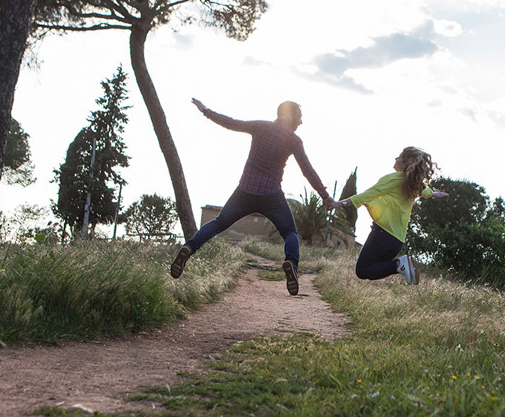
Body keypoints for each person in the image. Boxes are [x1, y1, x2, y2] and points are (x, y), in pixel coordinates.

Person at [170, 98, 333, 295]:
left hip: (245, 190)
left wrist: (205, 110)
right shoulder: (294, 140)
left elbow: (230, 122)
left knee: (219, 223)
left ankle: (189, 248)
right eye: (299, 117)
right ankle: (291, 263)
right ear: (288, 116)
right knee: (289, 232)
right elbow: (307, 170)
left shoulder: (260, 127)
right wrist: (325, 196)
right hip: (271, 194)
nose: (301, 122)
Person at [330, 146, 447, 285]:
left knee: (362, 270)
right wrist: (434, 194)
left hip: (382, 235)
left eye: (399, 157)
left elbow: (367, 195)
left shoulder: (393, 179)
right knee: (370, 269)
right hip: (397, 241)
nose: (395, 159)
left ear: (405, 163)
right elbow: (425, 191)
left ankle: (399, 264)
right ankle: (399, 265)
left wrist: (339, 204)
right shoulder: (414, 184)